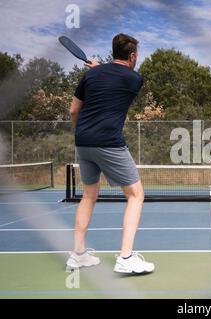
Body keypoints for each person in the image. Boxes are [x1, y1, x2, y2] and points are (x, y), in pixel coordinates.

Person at [65, 34, 154, 274]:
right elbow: (115, 78)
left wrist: (97, 69)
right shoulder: (134, 79)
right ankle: (125, 257)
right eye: (137, 54)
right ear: (132, 55)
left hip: (83, 142)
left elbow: (74, 110)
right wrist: (100, 69)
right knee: (136, 195)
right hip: (109, 142)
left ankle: (78, 255)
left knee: (89, 194)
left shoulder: (90, 75)